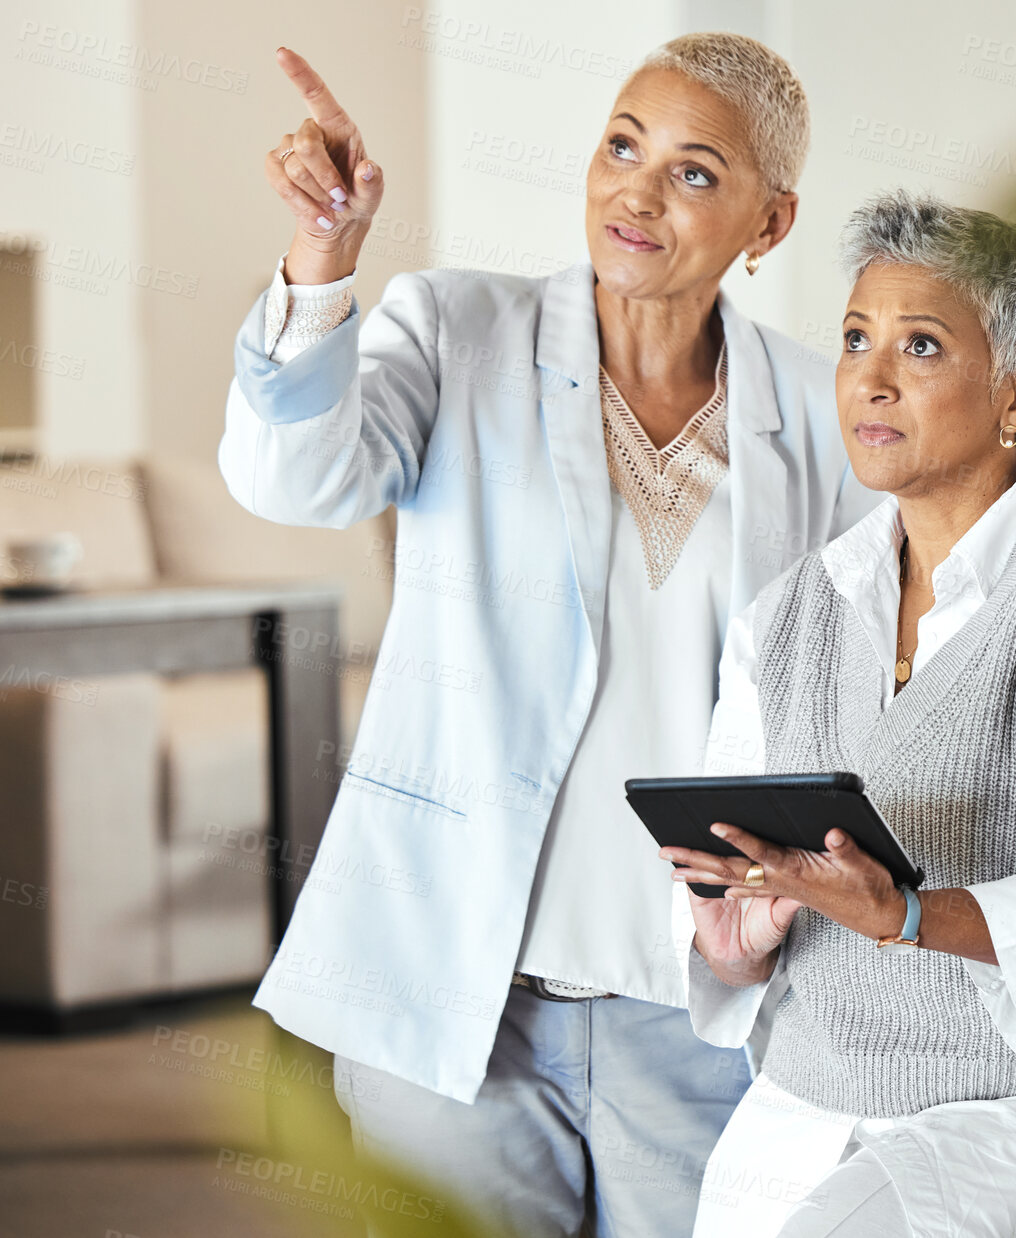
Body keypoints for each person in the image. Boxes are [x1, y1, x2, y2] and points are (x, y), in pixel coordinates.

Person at [220, 33, 875, 1238]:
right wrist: (323, 257)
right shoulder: (455, 328)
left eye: (692, 170)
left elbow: (869, 683)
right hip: (453, 993)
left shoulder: (824, 420)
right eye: (622, 145)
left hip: (702, 1009)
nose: (636, 187)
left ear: (767, 224)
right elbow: (292, 475)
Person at [661, 190, 1016, 1238]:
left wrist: (911, 915)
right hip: (815, 1104)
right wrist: (734, 941)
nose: (869, 380)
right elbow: (729, 915)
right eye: (852, 339)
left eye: (919, 345)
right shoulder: (786, 615)